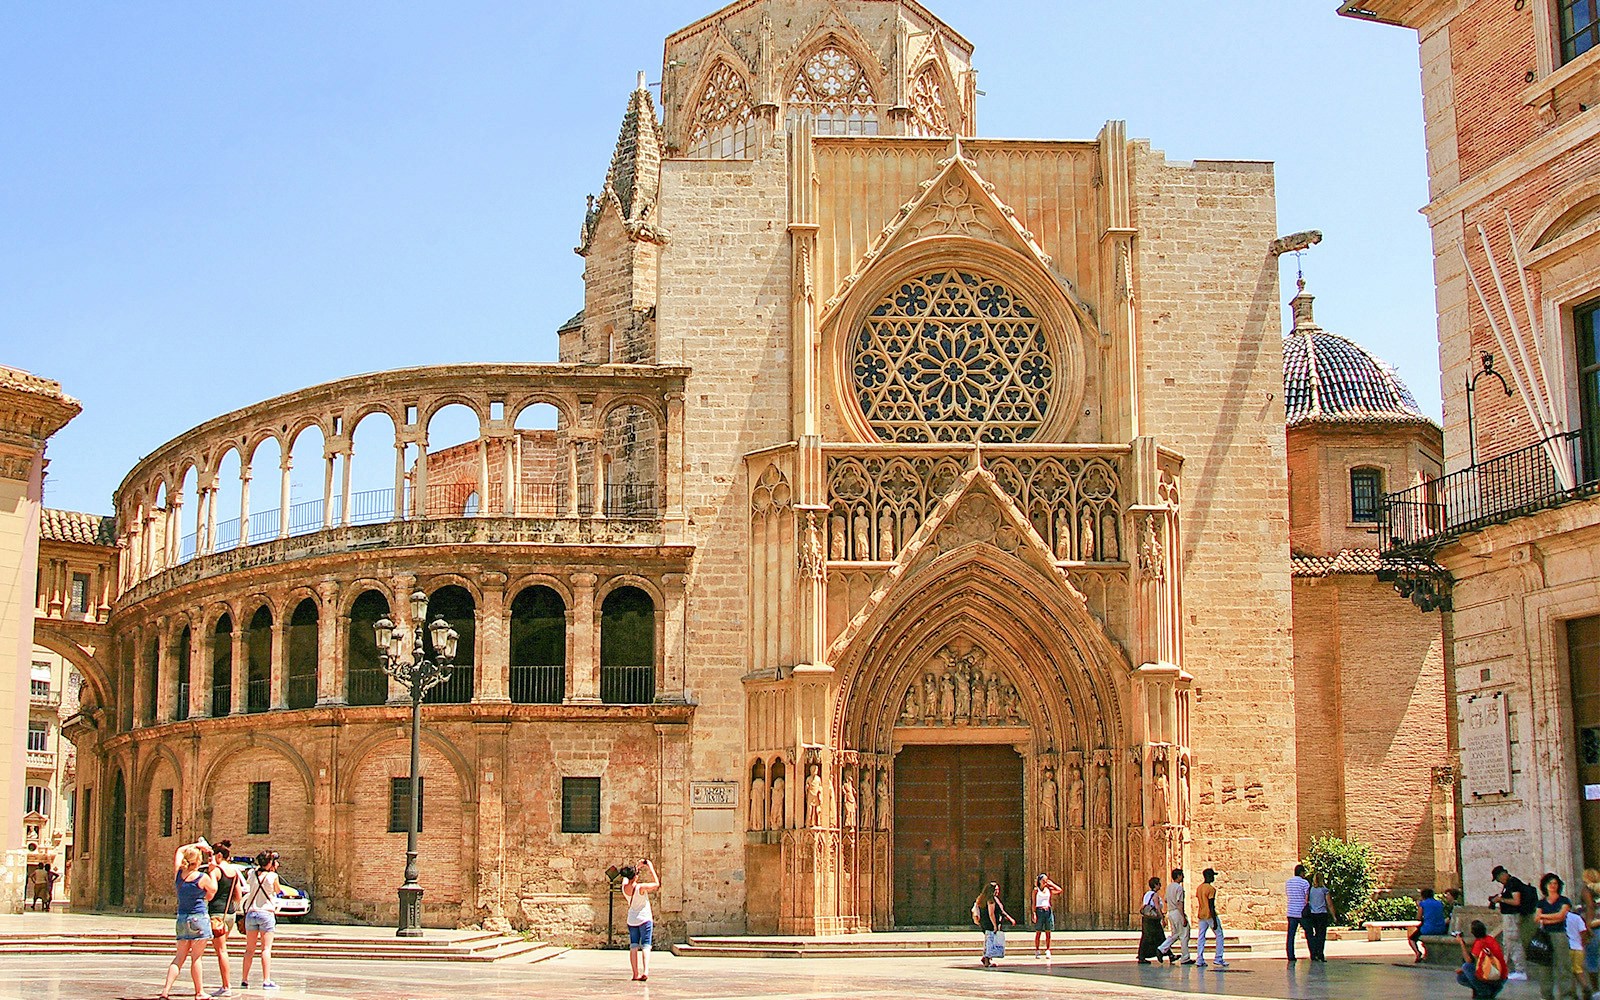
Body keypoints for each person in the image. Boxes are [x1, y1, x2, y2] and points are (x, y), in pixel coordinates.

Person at [160, 841, 217, 1000]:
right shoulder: (202, 877)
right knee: (196, 958)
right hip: (198, 918)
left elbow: (179, 850)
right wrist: (212, 871)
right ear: (199, 861)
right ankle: (199, 992)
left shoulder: (179, 874)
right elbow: (212, 892)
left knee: (179, 957)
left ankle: (166, 990)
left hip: (182, 918)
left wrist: (197, 845)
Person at [205, 840, 244, 997]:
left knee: (221, 951)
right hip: (230, 914)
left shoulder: (216, 871)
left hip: (216, 914)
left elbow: (211, 892)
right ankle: (225, 984)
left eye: (213, 855)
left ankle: (226, 986)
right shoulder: (234, 872)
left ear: (219, 855)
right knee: (222, 949)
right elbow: (238, 896)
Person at [239, 851, 281, 990]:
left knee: (249, 949)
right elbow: (278, 891)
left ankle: (244, 979)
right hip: (266, 913)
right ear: (270, 863)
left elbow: (250, 880)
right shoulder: (273, 876)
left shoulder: (252, 874)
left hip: (251, 914)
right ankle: (266, 980)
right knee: (266, 949)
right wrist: (273, 870)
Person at [1533, 872, 1574, 1000]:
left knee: (1564, 965)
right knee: (1544, 966)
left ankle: (1566, 995)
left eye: (1555, 883)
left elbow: (1561, 916)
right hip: (1545, 935)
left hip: (1559, 934)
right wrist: (1551, 918)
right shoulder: (1541, 902)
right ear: (1545, 885)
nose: (1552, 885)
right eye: (1550, 883)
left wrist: (1544, 918)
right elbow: (1536, 918)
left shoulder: (1564, 900)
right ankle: (1546, 995)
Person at [1491, 864, 1536, 981]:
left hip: (1512, 917)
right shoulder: (1508, 884)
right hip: (1508, 917)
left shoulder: (1513, 883)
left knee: (1514, 942)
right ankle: (1505, 968)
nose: (1498, 881)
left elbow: (1516, 901)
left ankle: (1520, 970)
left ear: (1502, 875)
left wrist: (1501, 899)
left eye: (1498, 879)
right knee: (1507, 942)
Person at [620, 858, 659, 982]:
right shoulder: (641, 887)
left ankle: (635, 973)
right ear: (636, 876)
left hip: (632, 920)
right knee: (646, 945)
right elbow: (656, 884)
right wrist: (650, 867)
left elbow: (627, 877)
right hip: (645, 918)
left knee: (634, 946)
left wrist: (636, 867)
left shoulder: (624, 888)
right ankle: (646, 971)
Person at [1455, 919, 1508, 998]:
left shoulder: (1479, 943)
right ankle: (1491, 989)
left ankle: (1484, 991)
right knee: (1465, 972)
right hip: (1502, 975)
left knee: (1465, 969)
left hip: (1492, 974)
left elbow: (1469, 961)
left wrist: (1461, 944)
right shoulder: (1490, 939)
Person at [975, 881, 1016, 968]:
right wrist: (994, 925)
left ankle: (986, 957)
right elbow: (991, 913)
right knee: (990, 940)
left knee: (989, 940)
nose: (998, 891)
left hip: (984, 922)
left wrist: (1009, 918)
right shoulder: (991, 900)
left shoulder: (982, 898)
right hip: (989, 923)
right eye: (996, 889)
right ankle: (987, 960)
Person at [1194, 867, 1227, 968]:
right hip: (1209, 915)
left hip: (1201, 914)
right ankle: (1218, 958)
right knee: (1219, 935)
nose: (1213, 878)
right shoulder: (1211, 889)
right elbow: (1211, 904)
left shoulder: (1199, 888)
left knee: (1201, 936)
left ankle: (1199, 958)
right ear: (1209, 876)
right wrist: (1214, 919)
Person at [1157, 868, 1191, 964]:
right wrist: (1183, 916)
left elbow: (1166, 900)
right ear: (1178, 876)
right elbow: (1180, 903)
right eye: (1182, 875)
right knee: (1184, 934)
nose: (1183, 877)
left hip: (1171, 912)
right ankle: (1185, 957)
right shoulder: (1179, 888)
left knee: (1175, 934)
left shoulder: (1169, 887)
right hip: (1177, 912)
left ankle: (1162, 948)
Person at [1411, 887, 1448, 962]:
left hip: (1428, 928)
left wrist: (1419, 906)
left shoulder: (1423, 904)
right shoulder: (1440, 903)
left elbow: (1418, 917)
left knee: (1412, 939)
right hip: (1441, 928)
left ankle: (1418, 953)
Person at [1285, 864, 1313, 962]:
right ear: (1301, 872)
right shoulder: (1304, 883)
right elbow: (1307, 897)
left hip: (1291, 911)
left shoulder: (1288, 882)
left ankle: (1291, 955)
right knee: (1309, 933)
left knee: (1291, 935)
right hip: (1302, 912)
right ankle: (1313, 953)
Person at [1031, 873, 1062, 959]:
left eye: (1046, 880)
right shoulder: (1036, 890)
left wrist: (1052, 884)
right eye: (1043, 880)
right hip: (1039, 910)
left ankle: (1048, 950)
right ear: (1039, 881)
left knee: (1048, 931)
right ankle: (1037, 950)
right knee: (1038, 931)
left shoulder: (1049, 889)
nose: (1045, 881)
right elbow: (1033, 902)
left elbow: (1059, 890)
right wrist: (1033, 913)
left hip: (1047, 910)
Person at [1306, 872, 1336, 962]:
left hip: (1313, 914)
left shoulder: (1311, 890)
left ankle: (1314, 953)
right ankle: (1320, 954)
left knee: (1315, 934)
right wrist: (1334, 915)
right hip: (1322, 914)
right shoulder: (1324, 890)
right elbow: (1329, 904)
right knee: (1321, 935)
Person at [1137, 876, 1166, 964]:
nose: (1160, 886)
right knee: (1160, 936)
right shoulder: (1155, 895)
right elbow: (1157, 907)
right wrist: (1162, 918)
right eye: (1159, 884)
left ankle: (1142, 956)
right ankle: (1168, 953)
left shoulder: (1147, 894)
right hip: (1153, 920)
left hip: (1146, 919)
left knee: (1146, 937)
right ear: (1155, 885)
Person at [1564, 905, 1591, 998]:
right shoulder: (1577, 918)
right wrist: (1582, 944)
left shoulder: (1560, 918)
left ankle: (1574, 991)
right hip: (1578, 948)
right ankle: (1585, 988)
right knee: (1579, 970)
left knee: (1569, 971)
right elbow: (1583, 931)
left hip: (1568, 947)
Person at [1581, 870, 1600, 990]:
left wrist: (1587, 926)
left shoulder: (1587, 890)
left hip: (1594, 926)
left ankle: (1595, 989)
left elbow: (1590, 907)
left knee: (1591, 957)